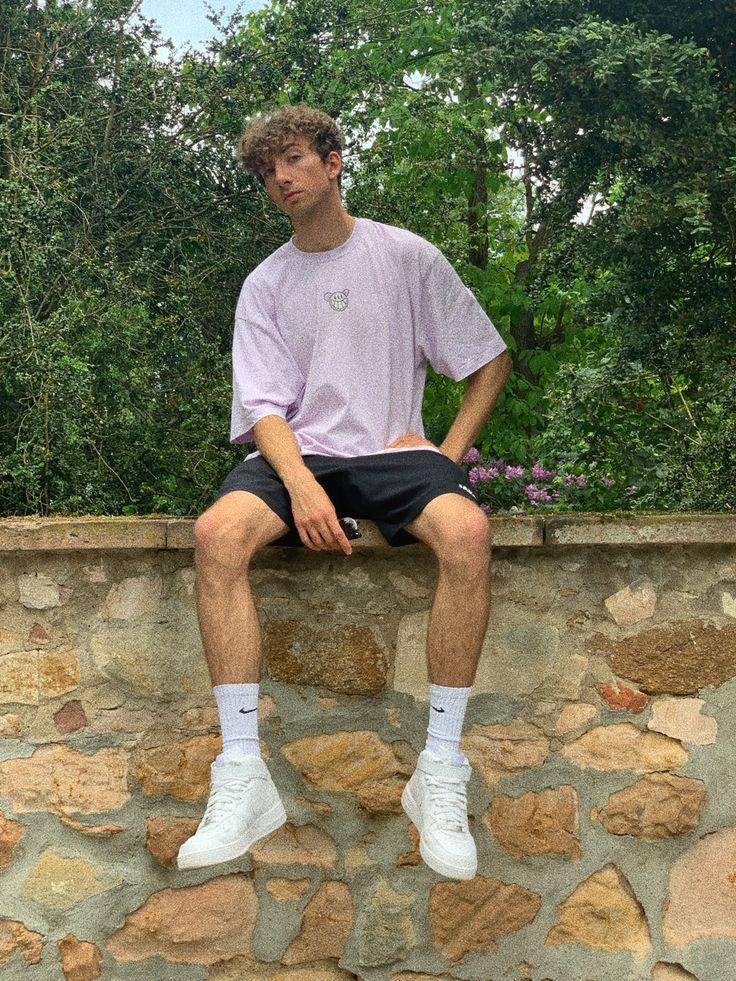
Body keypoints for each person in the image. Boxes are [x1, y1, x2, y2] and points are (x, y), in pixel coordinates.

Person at [177, 104, 511, 881]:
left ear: (332, 162)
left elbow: (487, 359)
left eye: (291, 160)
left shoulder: (405, 256)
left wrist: (447, 456)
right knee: (215, 535)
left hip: (395, 455)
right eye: (266, 172)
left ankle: (439, 768)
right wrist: (300, 485)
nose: (279, 179)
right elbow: (265, 408)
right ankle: (242, 772)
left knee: (467, 535)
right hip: (302, 455)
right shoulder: (266, 283)